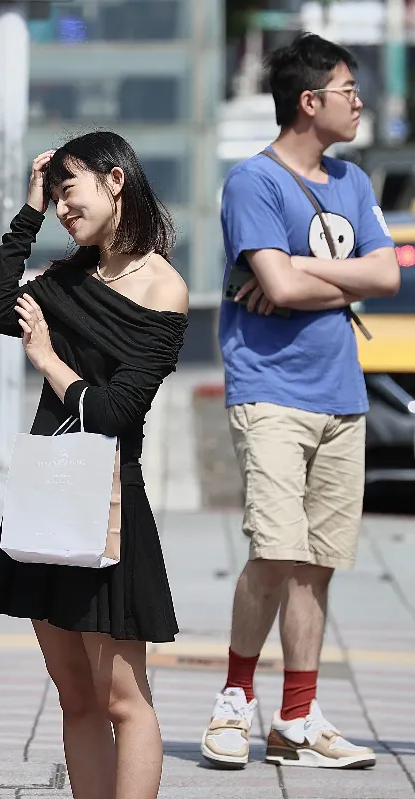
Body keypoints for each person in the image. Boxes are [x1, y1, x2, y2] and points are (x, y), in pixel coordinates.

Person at [202, 33, 398, 770]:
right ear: (309, 102)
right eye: (349, 89)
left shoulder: (351, 180)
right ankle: (234, 698)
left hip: (341, 393)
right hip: (271, 390)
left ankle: (296, 718)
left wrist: (302, 265)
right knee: (276, 548)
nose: (359, 101)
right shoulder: (254, 182)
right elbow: (277, 291)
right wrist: (329, 274)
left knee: (317, 562)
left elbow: (383, 277)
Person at [0, 133, 189, 799]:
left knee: (124, 697)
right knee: (75, 696)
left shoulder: (165, 288)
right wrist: (29, 210)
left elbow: (117, 411)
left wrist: (49, 362)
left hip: (110, 501)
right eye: (57, 194)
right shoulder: (66, 280)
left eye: (71, 190)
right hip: (48, 489)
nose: (64, 207)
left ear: (116, 180)